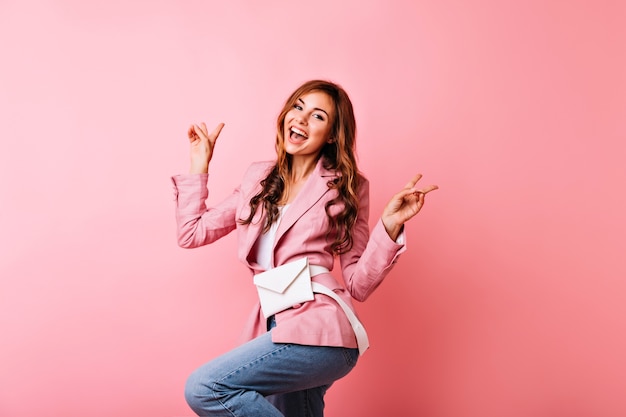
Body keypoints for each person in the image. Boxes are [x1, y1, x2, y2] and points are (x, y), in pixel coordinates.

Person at [172, 79, 438, 417]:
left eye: (317, 116)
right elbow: (192, 232)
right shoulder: (257, 179)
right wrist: (199, 165)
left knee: (207, 387)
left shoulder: (346, 186)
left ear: (330, 134)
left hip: (323, 325)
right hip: (274, 322)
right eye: (297, 107)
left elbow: (358, 283)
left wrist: (389, 226)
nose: (300, 118)